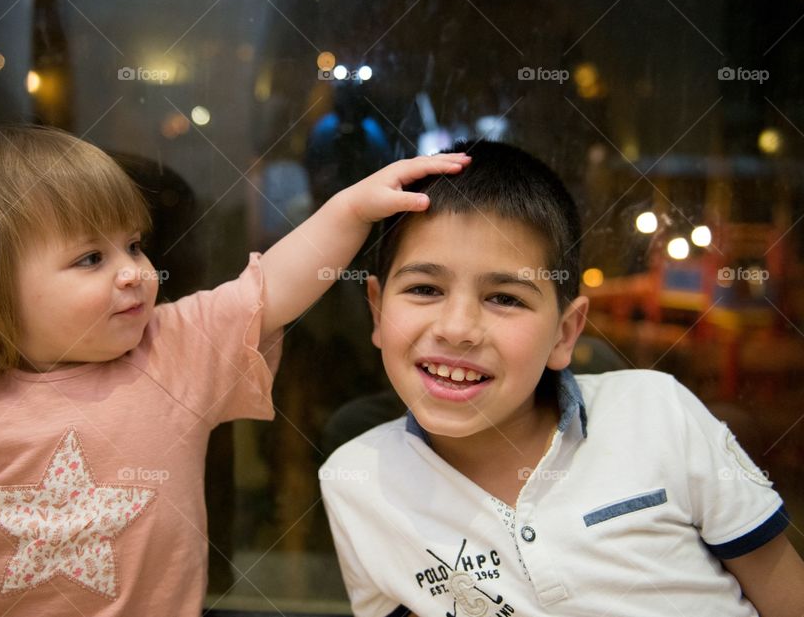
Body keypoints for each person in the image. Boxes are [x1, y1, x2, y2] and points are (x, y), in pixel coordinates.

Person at [0, 125, 470, 617]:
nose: (135, 272)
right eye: (91, 257)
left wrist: (350, 211)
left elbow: (271, 287)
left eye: (134, 245)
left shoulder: (174, 349)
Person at [320, 139, 804, 616]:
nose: (457, 329)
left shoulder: (658, 414)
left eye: (505, 298)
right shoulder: (357, 483)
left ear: (564, 333)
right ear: (378, 311)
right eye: (425, 289)